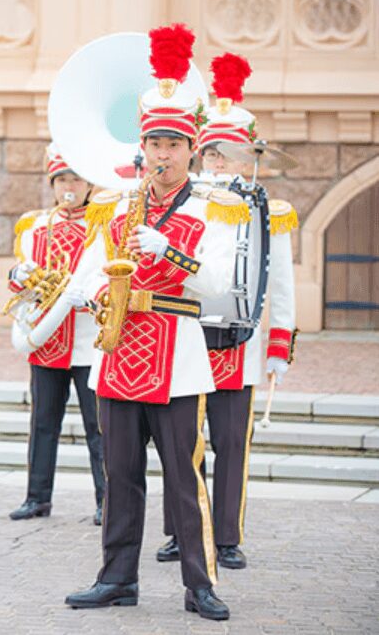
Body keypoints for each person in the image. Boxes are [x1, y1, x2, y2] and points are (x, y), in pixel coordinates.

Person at [62, 24, 238, 621]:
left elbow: (218, 285)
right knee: (120, 476)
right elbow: (86, 272)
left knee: (185, 482)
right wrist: (92, 295)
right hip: (117, 353)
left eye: (172, 144)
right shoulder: (114, 205)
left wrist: (167, 249)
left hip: (177, 358)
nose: (161, 155)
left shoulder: (212, 207)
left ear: (190, 148)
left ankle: (201, 583)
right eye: (154, 144)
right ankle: (117, 578)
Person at [156, 52, 299, 570]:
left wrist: (279, 345)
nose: (216, 162)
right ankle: (179, 530)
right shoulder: (183, 203)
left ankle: (229, 536)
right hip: (188, 332)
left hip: (239, 341)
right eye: (209, 152)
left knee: (232, 443)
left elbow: (277, 284)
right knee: (180, 443)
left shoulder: (269, 211)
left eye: (226, 154)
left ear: (246, 158)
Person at [6, 144, 105, 524]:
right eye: (62, 179)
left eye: (75, 179)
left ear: (88, 184)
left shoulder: (101, 225)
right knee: (43, 424)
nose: (69, 186)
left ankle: (105, 499)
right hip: (46, 339)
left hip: (84, 340)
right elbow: (24, 274)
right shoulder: (34, 226)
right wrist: (18, 276)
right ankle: (37, 497)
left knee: (98, 429)